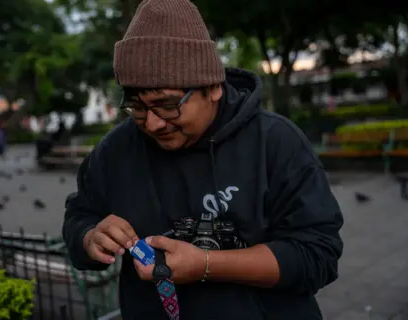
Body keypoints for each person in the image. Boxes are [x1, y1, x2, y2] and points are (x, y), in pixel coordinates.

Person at [62, 0, 344, 319]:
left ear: (212, 88)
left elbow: (317, 255)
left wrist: (207, 265)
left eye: (167, 104)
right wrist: (90, 238)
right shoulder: (116, 150)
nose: (153, 123)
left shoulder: (276, 142)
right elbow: (79, 216)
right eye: (137, 106)